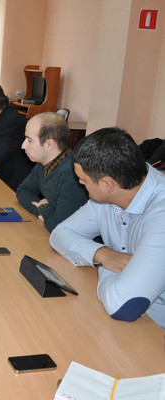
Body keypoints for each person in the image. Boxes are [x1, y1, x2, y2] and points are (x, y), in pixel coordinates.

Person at [50, 128, 165, 329]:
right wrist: (103, 254)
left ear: (107, 184)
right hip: (121, 320)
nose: (80, 183)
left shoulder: (160, 214)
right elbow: (60, 234)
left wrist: (104, 267)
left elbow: (123, 307)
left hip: (153, 330)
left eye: (84, 179)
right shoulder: (109, 195)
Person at [16, 112, 88, 232]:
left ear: (49, 144)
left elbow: (60, 226)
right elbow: (23, 190)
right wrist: (42, 209)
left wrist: (44, 208)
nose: (23, 146)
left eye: (29, 140)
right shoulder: (43, 163)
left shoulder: (73, 175)